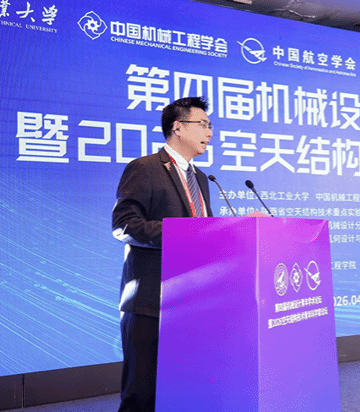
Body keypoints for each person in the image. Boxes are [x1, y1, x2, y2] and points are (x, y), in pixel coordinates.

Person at [112, 96, 214, 412]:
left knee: (182, 390)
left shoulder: (200, 178)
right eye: (203, 124)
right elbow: (125, 225)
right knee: (141, 395)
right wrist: (182, 234)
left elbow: (204, 232)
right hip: (151, 299)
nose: (210, 132)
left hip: (192, 297)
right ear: (178, 127)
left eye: (210, 125)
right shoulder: (144, 168)